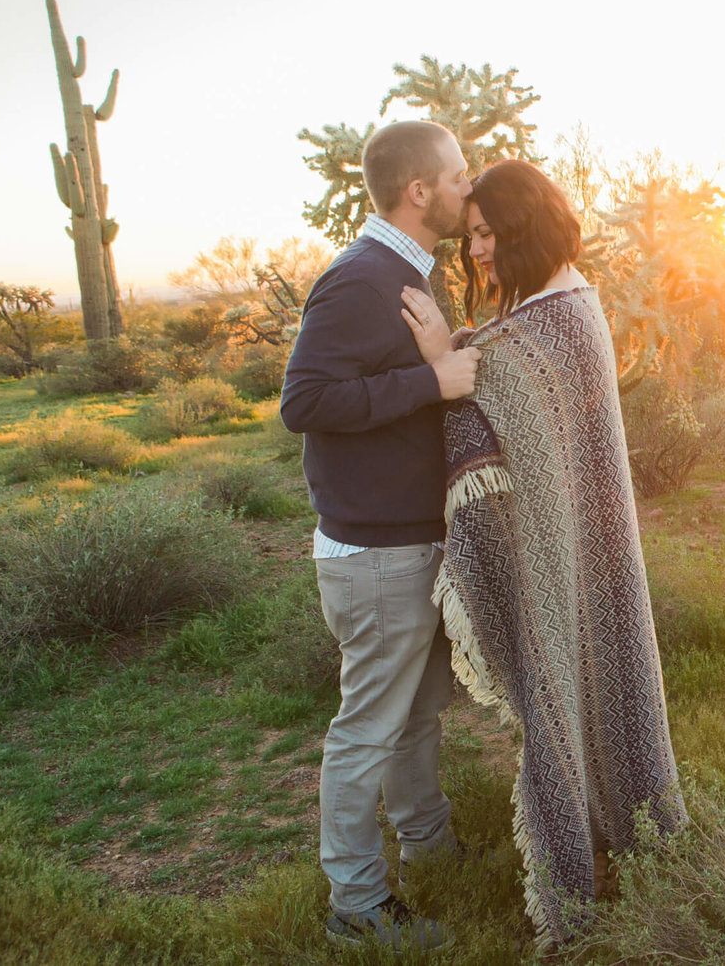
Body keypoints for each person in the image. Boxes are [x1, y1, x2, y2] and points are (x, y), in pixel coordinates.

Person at [401, 159, 686, 950]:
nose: (478, 252)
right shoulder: (551, 304)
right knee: (581, 683)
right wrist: (458, 350)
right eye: (472, 236)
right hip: (566, 541)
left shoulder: (557, 314)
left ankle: (599, 854)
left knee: (585, 678)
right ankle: (606, 843)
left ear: (524, 226)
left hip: (575, 541)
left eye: (490, 233)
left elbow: (479, 380)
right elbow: (491, 370)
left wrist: (439, 354)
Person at [280, 119, 480, 954]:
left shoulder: (407, 271)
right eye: (460, 174)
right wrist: (429, 381)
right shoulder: (361, 279)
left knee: (414, 716)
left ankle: (429, 846)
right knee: (369, 727)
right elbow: (305, 401)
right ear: (420, 190)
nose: (471, 186)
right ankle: (356, 904)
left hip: (409, 544)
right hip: (374, 555)